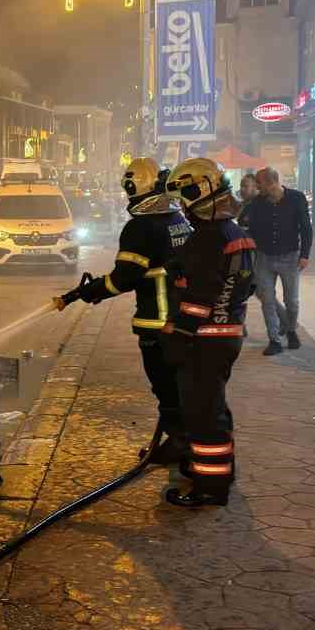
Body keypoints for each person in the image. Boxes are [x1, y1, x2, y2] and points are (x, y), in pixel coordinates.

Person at [55, 157, 193, 463]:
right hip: (184, 318)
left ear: (132, 187)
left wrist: (88, 292)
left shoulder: (140, 227)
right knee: (181, 386)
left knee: (166, 388)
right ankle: (179, 441)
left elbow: (123, 279)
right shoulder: (178, 219)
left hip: (157, 322)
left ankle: (182, 444)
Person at [159, 157, 257, 508]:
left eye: (183, 198)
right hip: (229, 335)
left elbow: (199, 299)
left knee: (202, 416)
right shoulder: (237, 234)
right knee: (215, 409)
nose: (182, 208)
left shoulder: (207, 238)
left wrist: (179, 336)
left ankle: (210, 487)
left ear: (197, 192)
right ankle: (218, 472)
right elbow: (245, 287)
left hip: (203, 341)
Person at [243, 166, 313, 355]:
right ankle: (274, 340)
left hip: (290, 257)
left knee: (292, 302)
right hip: (264, 257)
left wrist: (305, 254)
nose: (257, 187)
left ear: (270, 182)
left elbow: (306, 228)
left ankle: (291, 331)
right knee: (267, 300)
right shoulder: (257, 202)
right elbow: (246, 223)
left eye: (259, 183)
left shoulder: (296, 198)